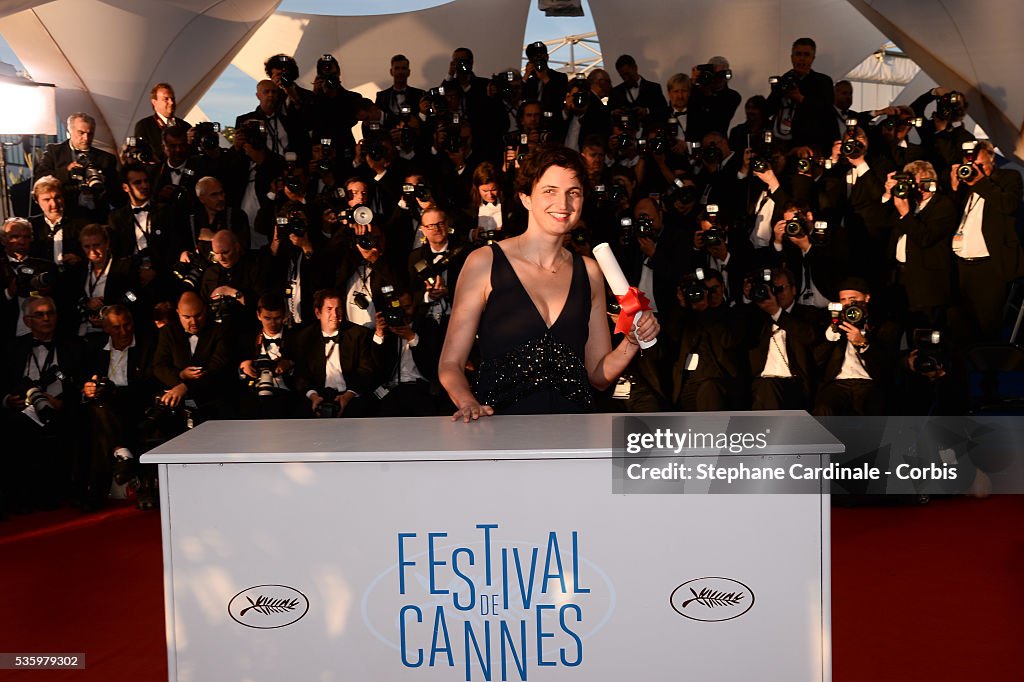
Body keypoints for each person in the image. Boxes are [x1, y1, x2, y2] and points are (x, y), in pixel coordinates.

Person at [439, 146, 660, 420]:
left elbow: (598, 376)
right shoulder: (484, 263)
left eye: (573, 193)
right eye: (549, 191)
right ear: (525, 198)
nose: (563, 204)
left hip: (574, 435)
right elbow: (450, 364)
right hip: (501, 434)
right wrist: (467, 402)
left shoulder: (590, 272)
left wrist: (633, 340)